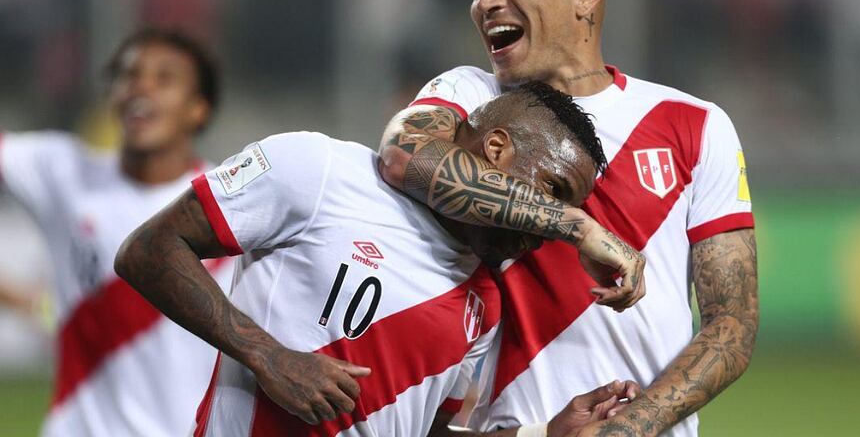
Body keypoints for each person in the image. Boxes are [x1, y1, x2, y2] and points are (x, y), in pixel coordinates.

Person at [377, 0, 759, 436]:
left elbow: (732, 324)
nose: (486, 2)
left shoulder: (694, 124)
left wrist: (626, 428)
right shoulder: (471, 98)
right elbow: (404, 154)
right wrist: (580, 229)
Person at [115, 83, 647, 436]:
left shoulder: (483, 303)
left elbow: (431, 434)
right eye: (554, 190)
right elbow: (148, 249)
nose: (550, 225)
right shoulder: (321, 172)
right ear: (496, 150)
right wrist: (267, 356)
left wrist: (545, 434)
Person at [0, 27, 234, 436]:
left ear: (199, 109)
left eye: (164, 78)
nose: (141, 87)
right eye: (129, 75)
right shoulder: (65, 171)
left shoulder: (231, 205)